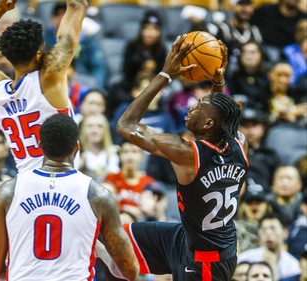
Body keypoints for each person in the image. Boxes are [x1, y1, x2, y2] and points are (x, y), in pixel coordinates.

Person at [107, 35, 249, 280]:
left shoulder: (186, 154)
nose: (192, 105)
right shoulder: (239, 143)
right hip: (188, 238)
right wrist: (218, 81)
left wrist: (165, 75)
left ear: (207, 123)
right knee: (113, 237)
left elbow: (125, 124)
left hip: (207, 263)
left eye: (199, 105)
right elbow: (221, 118)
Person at [0, 114, 139, 280]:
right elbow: (129, 271)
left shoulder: (9, 191)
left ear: (40, 145)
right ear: (77, 147)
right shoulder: (98, 195)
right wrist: (99, 249)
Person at [0, 0, 88, 173]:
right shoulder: (50, 78)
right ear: (38, 54)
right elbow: (77, 6)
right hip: (61, 180)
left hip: (26, 185)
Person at [238, 214, 301, 281]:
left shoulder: (293, 265)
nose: (268, 232)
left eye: (273, 228)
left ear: (285, 233)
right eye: (264, 229)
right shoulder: (245, 257)